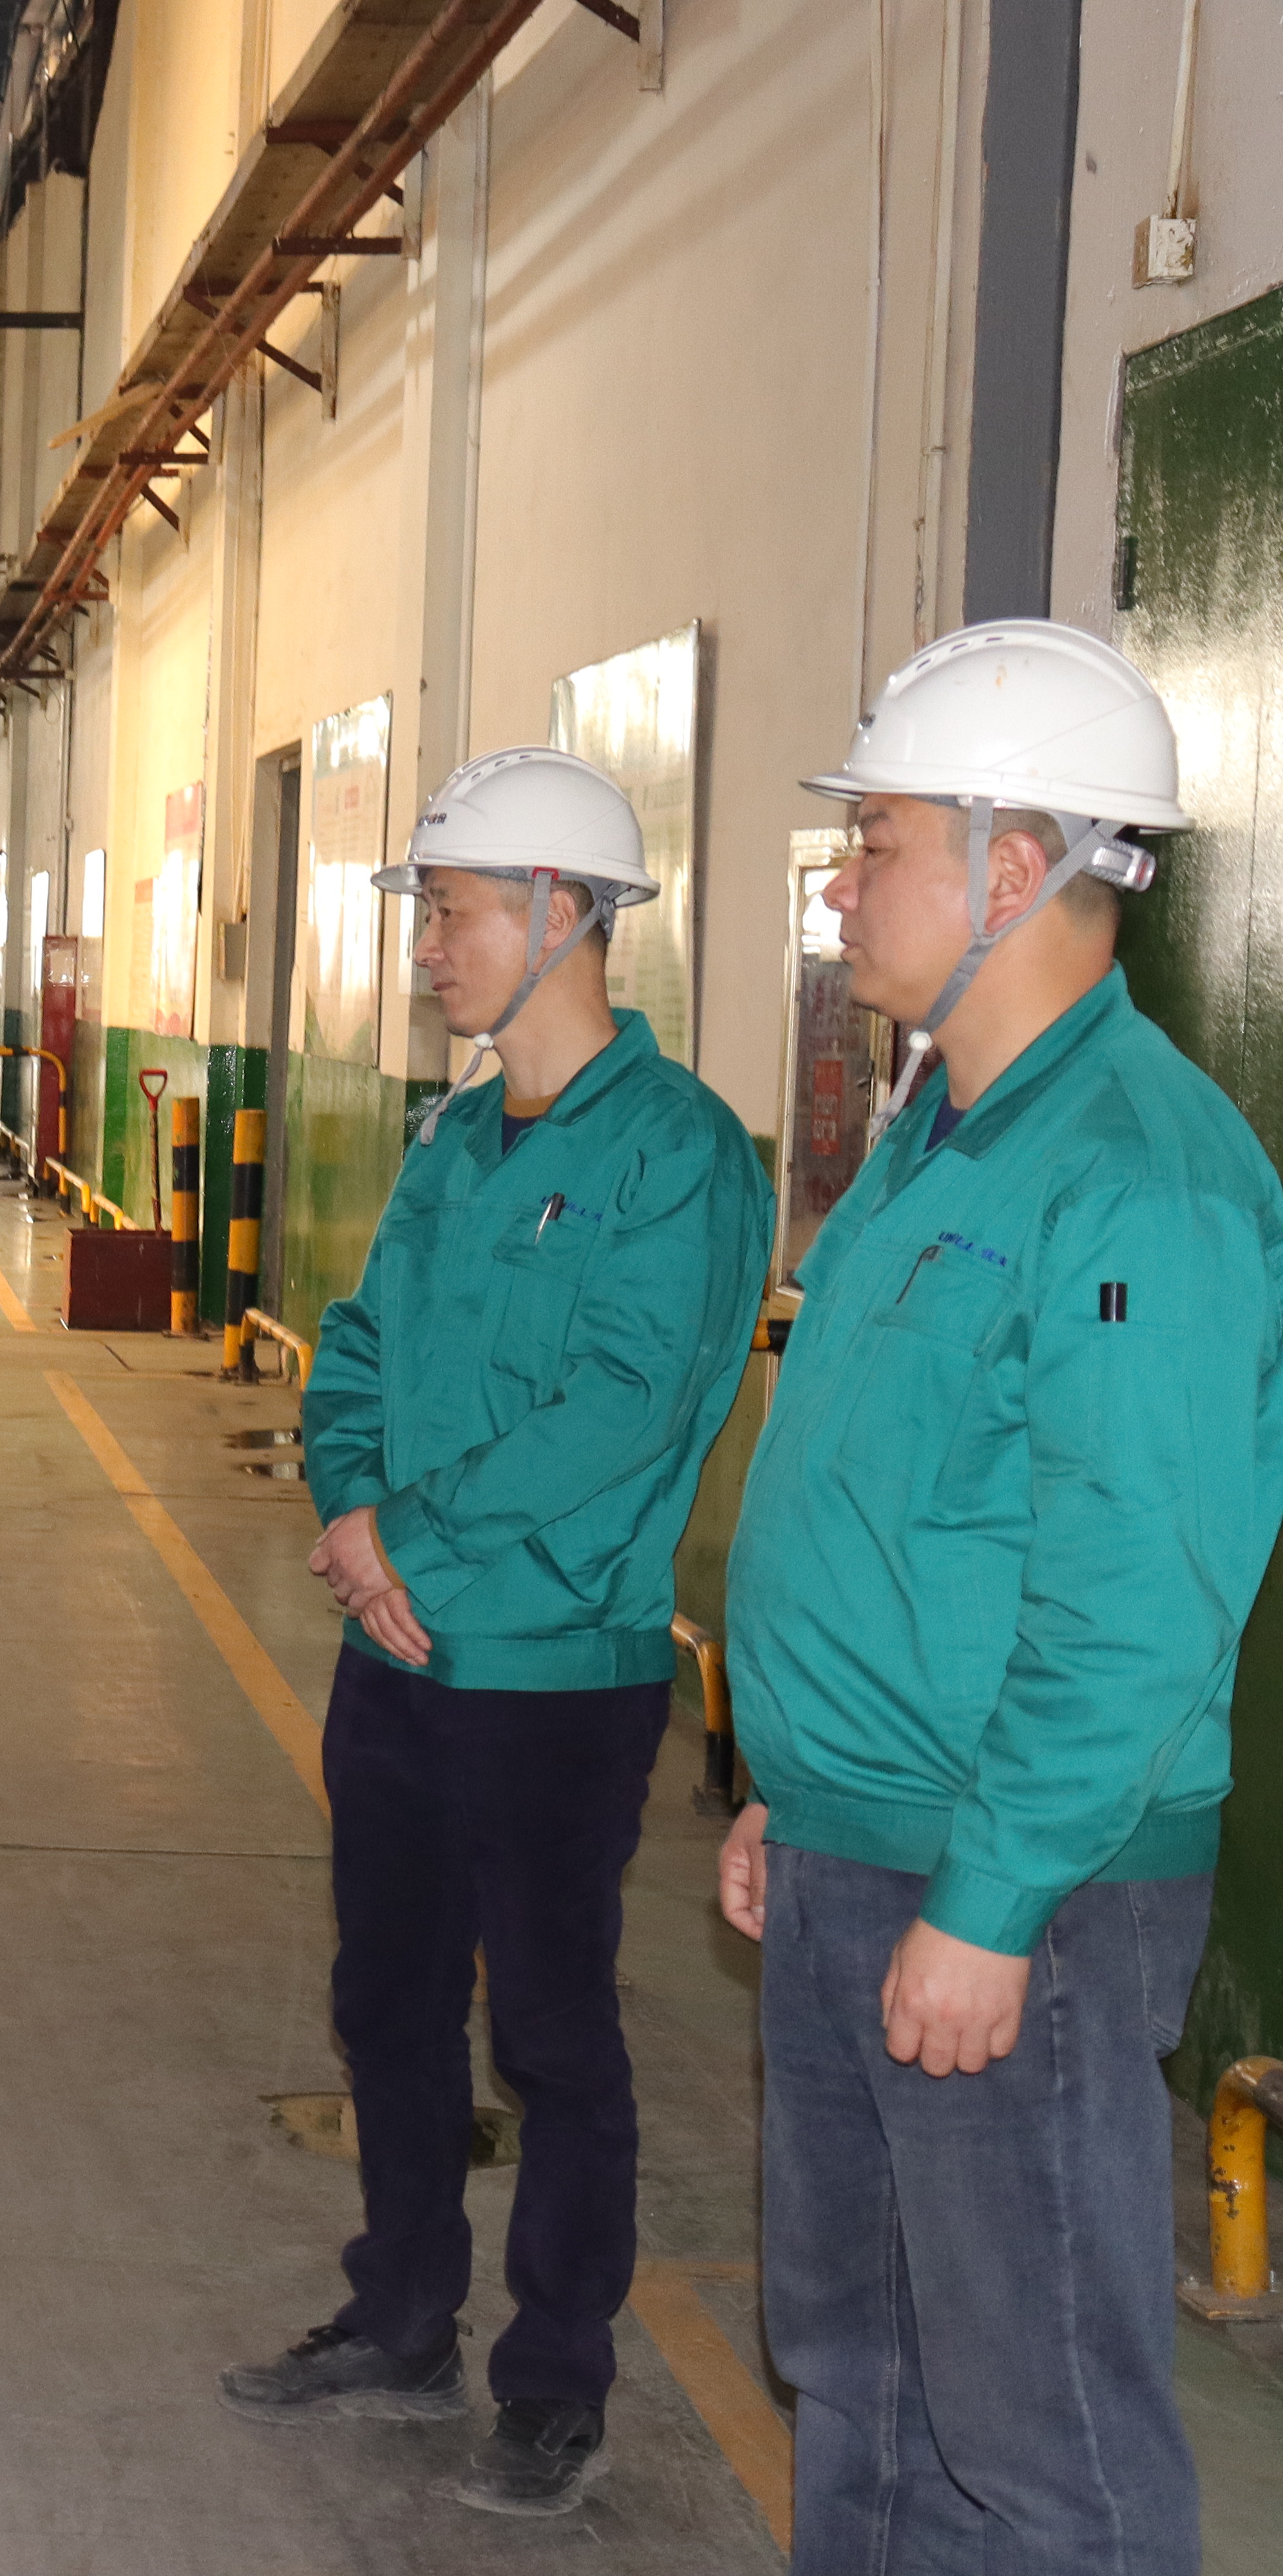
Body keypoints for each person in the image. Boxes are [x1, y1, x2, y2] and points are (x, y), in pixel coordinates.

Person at [721, 620, 1283, 2573]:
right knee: (860, 2371)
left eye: (875, 842)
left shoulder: (1139, 1176)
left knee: (1038, 2429)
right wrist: (798, 1788)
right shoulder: (942, 1133)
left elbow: (1138, 1595)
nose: (840, 886)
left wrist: (990, 1897)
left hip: (1014, 1885)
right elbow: (893, 1509)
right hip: (865, 1842)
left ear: (1015, 867)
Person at [220, 748, 765, 2517]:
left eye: (450, 913)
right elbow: (361, 1343)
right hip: (396, 1659)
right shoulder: (457, 1138)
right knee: (384, 2002)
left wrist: (410, 1539)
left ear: (559, 912)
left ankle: (556, 2377)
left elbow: (624, 1406)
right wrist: (349, 1511)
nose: (429, 948)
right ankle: (402, 2315)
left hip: (552, 1677)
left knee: (549, 2030)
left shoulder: (677, 1152)